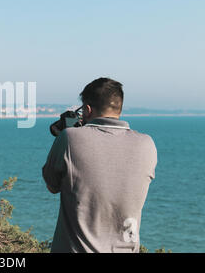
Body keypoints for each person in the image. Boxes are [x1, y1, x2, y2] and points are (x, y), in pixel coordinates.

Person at [42, 77, 157, 253]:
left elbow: (52, 186)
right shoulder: (147, 144)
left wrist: (62, 136)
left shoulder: (70, 138)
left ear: (87, 109)